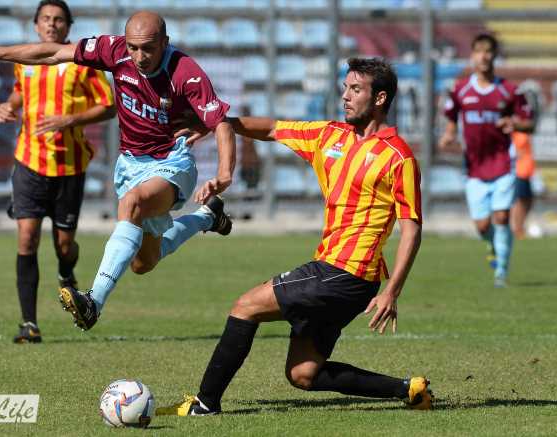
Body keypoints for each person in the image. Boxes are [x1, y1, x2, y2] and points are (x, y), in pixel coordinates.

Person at [159, 58, 432, 416]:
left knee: (245, 307)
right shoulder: (330, 135)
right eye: (345, 88)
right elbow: (273, 128)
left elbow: (411, 228)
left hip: (347, 271)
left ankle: (205, 403)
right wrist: (217, 124)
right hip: (341, 275)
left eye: (356, 89)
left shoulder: (398, 157)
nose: (345, 96)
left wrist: (392, 291)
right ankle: (410, 390)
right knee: (303, 374)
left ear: (380, 98)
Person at [0, 10, 237, 332]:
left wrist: (224, 173)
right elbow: (52, 53)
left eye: (148, 48)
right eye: (133, 47)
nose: (139, 56)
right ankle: (207, 217)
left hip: (171, 162)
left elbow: (221, 123)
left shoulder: (186, 72)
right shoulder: (113, 51)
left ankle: (93, 302)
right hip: (131, 165)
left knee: (131, 203)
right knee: (143, 262)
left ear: (165, 42)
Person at [0, 0, 115, 343]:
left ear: (68, 26)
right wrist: (8, 106)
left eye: (58, 20)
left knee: (64, 245)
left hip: (69, 166)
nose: (51, 24)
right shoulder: (25, 60)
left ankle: (65, 270)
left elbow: (109, 106)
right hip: (29, 162)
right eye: (45, 19)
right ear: (36, 25)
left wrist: (69, 119)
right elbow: (19, 93)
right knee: (27, 238)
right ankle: (29, 324)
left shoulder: (83, 63)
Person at [438, 33, 533, 288]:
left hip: (503, 162)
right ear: (472, 55)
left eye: (488, 51)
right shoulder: (460, 89)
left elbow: (529, 122)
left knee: (501, 217)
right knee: (482, 226)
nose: (483, 56)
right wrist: (449, 134)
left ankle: (501, 270)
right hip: (474, 166)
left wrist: (514, 123)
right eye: (479, 51)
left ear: (494, 56)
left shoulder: (509, 90)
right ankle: (492, 244)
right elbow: (451, 117)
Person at [510, 131, 536, 239]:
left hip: (527, 171)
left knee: (528, 200)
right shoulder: (514, 132)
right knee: (519, 201)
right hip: (519, 171)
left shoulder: (524, 131)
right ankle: (517, 228)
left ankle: (520, 226)